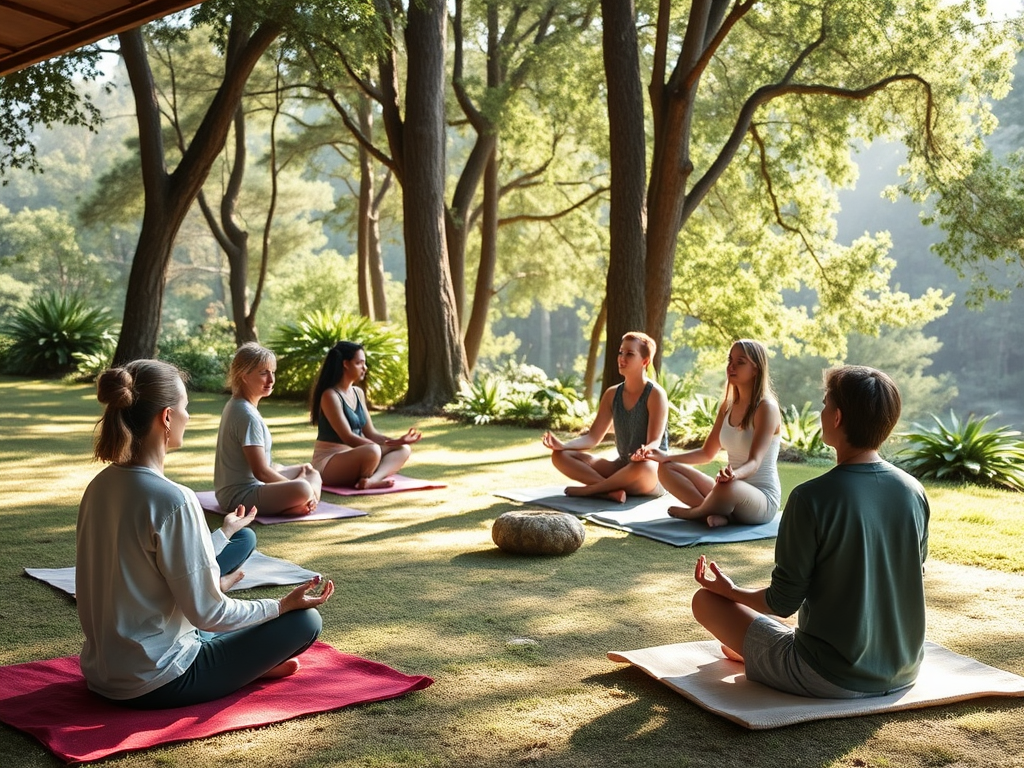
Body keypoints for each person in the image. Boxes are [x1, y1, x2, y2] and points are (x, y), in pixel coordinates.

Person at [76, 359, 335, 709]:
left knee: (240, 544)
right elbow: (208, 615)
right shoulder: (174, 499)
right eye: (186, 408)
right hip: (159, 680)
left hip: (102, 673)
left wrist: (221, 546)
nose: (189, 416)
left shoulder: (98, 486)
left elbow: (144, 574)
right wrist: (281, 605)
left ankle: (244, 664)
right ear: (166, 417)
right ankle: (245, 668)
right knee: (305, 621)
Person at [690, 365, 930, 698]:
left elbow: (781, 602)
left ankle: (758, 649)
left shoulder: (810, 497)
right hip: (903, 669)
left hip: (828, 674)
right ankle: (758, 647)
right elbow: (911, 576)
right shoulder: (913, 490)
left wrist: (729, 591)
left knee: (706, 602)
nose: (822, 411)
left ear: (837, 418)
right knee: (751, 636)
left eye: (825, 404)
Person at [642, 339, 781, 527]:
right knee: (667, 468)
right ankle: (720, 515)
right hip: (728, 488)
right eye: (730, 360)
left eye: (740, 362)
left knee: (727, 487)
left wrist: (733, 476)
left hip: (761, 500)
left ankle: (696, 513)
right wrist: (666, 457)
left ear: (756, 369)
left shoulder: (766, 408)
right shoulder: (728, 406)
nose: (731, 366)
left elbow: (754, 463)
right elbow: (706, 453)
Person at [541, 331, 668, 503]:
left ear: (645, 362)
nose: (622, 358)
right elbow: (592, 437)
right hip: (622, 467)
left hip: (650, 471)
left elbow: (654, 443)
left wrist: (643, 453)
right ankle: (607, 490)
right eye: (621, 352)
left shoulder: (655, 394)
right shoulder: (612, 394)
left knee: (643, 466)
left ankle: (593, 489)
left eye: (630, 354)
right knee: (559, 456)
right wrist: (563, 446)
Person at [215, 343, 321, 516]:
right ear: (244, 376)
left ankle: (302, 503)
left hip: (241, 490)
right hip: (238, 497)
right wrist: (291, 484)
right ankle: (305, 501)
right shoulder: (246, 414)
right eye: (263, 373)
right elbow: (261, 472)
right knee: (303, 487)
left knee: (310, 471)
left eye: (273, 372)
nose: (271, 380)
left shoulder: (238, 405)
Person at [309, 341, 421, 489]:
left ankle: (372, 480)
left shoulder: (358, 393)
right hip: (329, 463)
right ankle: (370, 476)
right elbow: (347, 437)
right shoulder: (330, 395)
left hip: (359, 455)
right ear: (346, 364)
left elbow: (371, 433)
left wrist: (397, 441)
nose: (365, 368)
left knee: (403, 449)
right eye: (359, 363)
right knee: (373, 450)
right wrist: (377, 449)